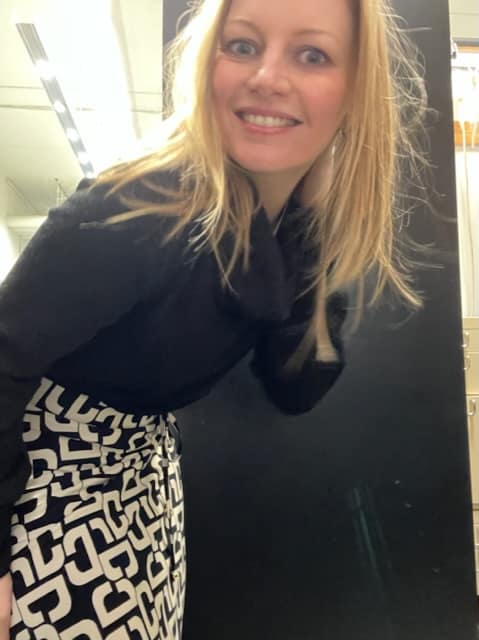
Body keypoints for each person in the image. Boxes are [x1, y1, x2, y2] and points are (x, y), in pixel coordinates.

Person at [0, 0, 428, 637]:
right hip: (43, 480)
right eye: (243, 45)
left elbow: (297, 386)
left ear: (355, 92)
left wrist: (311, 235)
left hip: (141, 478)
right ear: (209, 64)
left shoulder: (283, 229)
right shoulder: (142, 202)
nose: (267, 77)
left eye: (312, 55)